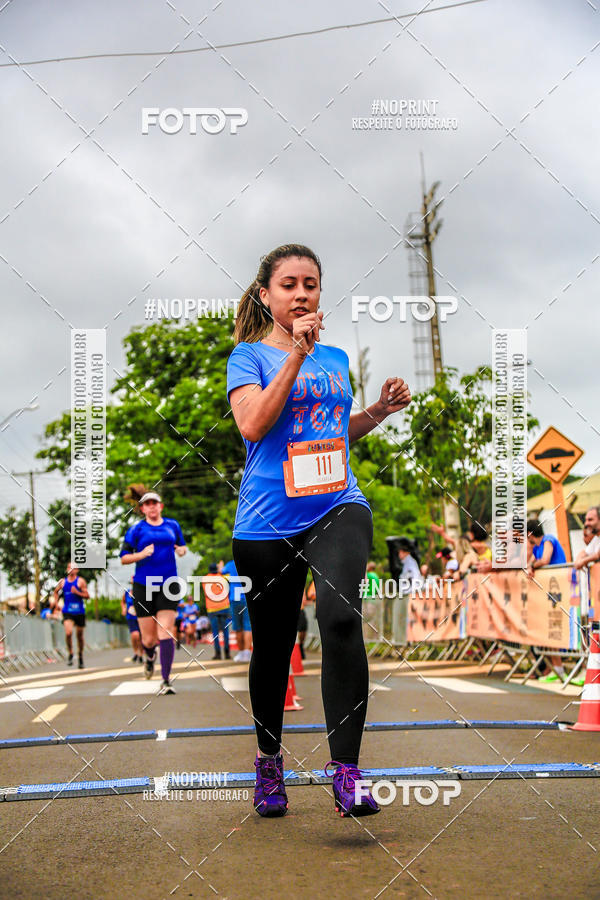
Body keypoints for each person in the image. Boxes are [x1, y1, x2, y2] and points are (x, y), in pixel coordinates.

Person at [227, 243, 411, 818]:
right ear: (266, 295)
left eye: (310, 283)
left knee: (338, 616)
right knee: (275, 645)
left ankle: (348, 773)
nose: (301, 293)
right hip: (266, 522)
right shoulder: (248, 358)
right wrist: (294, 355)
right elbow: (255, 424)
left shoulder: (334, 357)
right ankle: (268, 764)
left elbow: (334, 433)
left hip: (336, 503)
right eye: (288, 284)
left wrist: (377, 411)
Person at [119, 490, 187, 694]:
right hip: (144, 585)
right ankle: (149, 657)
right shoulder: (136, 530)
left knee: (165, 630)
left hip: (168, 583)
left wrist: (181, 551)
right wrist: (141, 554)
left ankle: (166, 680)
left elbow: (182, 546)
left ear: (161, 506)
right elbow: (123, 557)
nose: (151, 506)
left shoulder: (172, 525)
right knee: (148, 640)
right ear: (142, 509)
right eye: (147, 504)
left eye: (154, 503)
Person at [53, 562, 89, 668]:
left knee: (79, 636)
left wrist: (77, 593)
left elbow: (87, 596)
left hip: (79, 612)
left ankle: (80, 656)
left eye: (74, 568)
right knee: (68, 633)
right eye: (70, 567)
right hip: (67, 611)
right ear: (67, 569)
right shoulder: (63, 582)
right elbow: (55, 592)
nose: (71, 569)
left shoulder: (81, 581)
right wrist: (56, 604)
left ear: (77, 570)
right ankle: (71, 652)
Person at [222, 559, 253, 662]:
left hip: (234, 599)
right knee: (248, 626)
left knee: (237, 626)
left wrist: (220, 566)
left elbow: (221, 573)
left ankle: (241, 653)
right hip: (248, 598)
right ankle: (247, 653)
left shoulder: (230, 564)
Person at [201, 563, 232, 661]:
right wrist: (221, 569)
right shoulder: (223, 577)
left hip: (212, 608)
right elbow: (229, 575)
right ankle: (227, 653)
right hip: (224, 607)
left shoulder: (205, 579)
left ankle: (217, 654)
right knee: (225, 631)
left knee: (215, 632)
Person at [121, 578, 143, 663]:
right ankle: (135, 652)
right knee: (135, 635)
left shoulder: (142, 592)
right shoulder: (127, 593)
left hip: (140, 617)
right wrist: (123, 608)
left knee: (141, 637)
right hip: (130, 617)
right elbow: (122, 602)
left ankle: (141, 654)